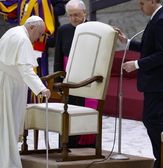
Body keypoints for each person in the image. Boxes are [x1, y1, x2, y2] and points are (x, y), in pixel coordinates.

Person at [0, 16, 51, 168]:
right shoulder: (22, 39)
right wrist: (41, 88)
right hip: (2, 80)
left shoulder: (15, 31)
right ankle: (3, 162)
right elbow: (26, 71)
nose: (39, 37)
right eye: (39, 33)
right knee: (3, 120)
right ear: (32, 28)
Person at [113, 0, 163, 168]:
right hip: (155, 81)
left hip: (159, 80)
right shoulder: (157, 18)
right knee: (153, 119)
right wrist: (128, 42)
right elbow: (151, 48)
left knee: (151, 119)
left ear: (152, 1)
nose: (140, 7)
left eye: (142, 3)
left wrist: (136, 64)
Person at [54, 0, 96, 148]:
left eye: (76, 15)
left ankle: (87, 146)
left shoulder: (95, 29)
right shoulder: (63, 30)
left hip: (89, 80)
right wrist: (57, 81)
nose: (73, 19)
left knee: (85, 112)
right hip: (69, 80)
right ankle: (67, 145)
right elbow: (58, 57)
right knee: (68, 113)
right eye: (70, 15)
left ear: (84, 12)